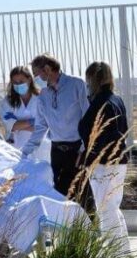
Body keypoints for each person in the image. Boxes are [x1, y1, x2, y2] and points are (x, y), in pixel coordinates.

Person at [78, 61, 129, 246]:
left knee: (107, 211)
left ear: (93, 79)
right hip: (116, 162)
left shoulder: (103, 103)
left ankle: (116, 255)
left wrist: (91, 154)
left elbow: (106, 135)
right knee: (112, 209)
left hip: (104, 165)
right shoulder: (115, 100)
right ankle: (122, 252)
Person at [25, 54, 89, 199]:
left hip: (77, 149)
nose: (36, 78)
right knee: (60, 193)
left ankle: (91, 221)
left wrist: (84, 148)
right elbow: (40, 127)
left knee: (83, 192)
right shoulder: (43, 95)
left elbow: (88, 117)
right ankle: (65, 222)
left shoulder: (76, 85)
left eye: (37, 74)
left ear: (47, 69)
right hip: (57, 151)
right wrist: (26, 151)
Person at [0, 66, 43, 149]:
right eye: (15, 82)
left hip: (41, 145)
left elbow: (46, 125)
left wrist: (21, 126)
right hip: (16, 145)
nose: (18, 85)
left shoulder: (42, 99)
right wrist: (32, 122)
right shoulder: (7, 102)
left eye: (21, 81)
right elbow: (11, 126)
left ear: (29, 80)